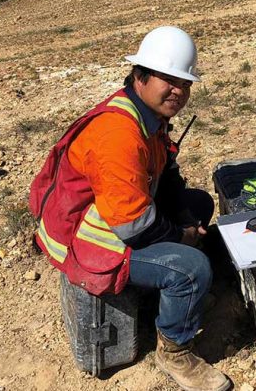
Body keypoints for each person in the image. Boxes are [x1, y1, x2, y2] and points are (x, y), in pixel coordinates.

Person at [29, 26, 231, 391]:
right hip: (90, 241)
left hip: (118, 218)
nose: (178, 91)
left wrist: (185, 217)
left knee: (198, 203)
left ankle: (169, 295)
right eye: (168, 80)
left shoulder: (148, 117)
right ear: (140, 77)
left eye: (184, 83)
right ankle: (175, 351)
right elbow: (134, 225)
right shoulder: (118, 133)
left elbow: (164, 177)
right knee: (191, 269)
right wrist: (182, 237)